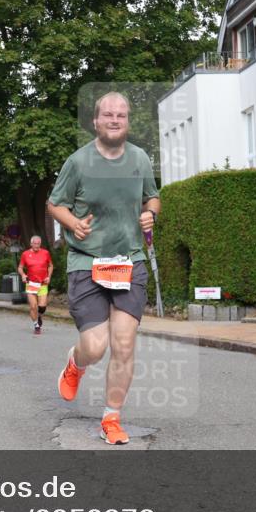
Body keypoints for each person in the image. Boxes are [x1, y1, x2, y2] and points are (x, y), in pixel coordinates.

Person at [46, 91, 160, 446]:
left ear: (127, 122)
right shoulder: (78, 162)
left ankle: (111, 417)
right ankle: (76, 364)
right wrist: (73, 223)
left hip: (129, 261)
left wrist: (150, 214)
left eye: (121, 115)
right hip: (86, 261)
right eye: (107, 114)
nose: (114, 120)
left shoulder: (140, 159)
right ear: (95, 121)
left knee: (124, 344)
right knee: (95, 347)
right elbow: (54, 204)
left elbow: (152, 196)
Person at [18, 235, 54, 334]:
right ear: (31, 244)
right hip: (31, 283)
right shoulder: (25, 254)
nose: (37, 245)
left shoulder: (46, 253)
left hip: (43, 283)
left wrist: (49, 276)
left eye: (38, 244)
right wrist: (23, 275)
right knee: (33, 306)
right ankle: (36, 326)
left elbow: (51, 265)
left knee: (42, 306)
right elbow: (20, 267)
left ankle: (39, 316)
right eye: (35, 243)